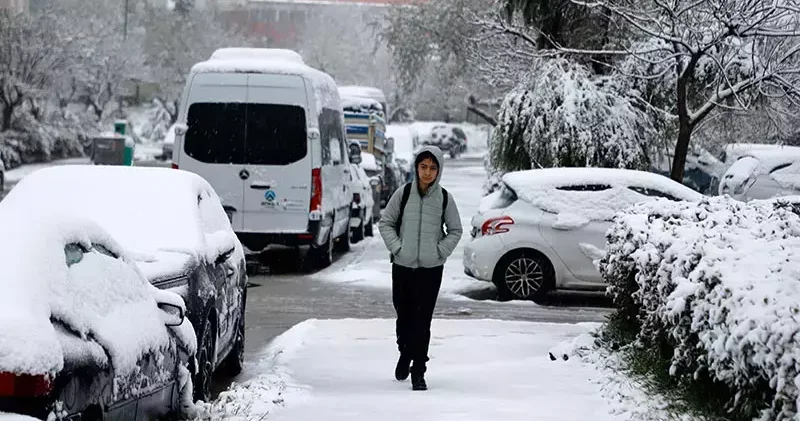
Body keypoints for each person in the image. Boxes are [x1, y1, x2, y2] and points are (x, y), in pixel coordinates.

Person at [378, 145, 463, 391]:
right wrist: (398, 248)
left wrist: (440, 251)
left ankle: (419, 370)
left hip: (431, 270)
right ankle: (405, 352)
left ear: (439, 171)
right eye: (423, 167)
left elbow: (455, 230)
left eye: (432, 168)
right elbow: (386, 223)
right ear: (417, 168)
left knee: (422, 320)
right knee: (404, 317)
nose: (427, 172)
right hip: (403, 266)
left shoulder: (445, 198)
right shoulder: (403, 194)